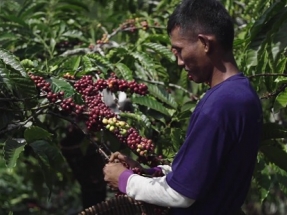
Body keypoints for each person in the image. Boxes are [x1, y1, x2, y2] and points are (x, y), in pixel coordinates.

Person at [103, 0, 263, 214]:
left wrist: (124, 180)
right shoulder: (242, 94)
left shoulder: (220, 105)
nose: (178, 61)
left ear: (205, 43)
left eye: (179, 50)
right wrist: (147, 173)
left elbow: (180, 194)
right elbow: (204, 173)